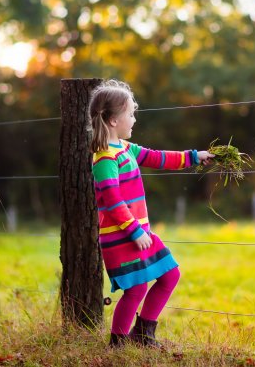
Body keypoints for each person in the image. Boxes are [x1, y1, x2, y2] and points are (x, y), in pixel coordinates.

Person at [88, 79, 214, 348]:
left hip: (139, 233)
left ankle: (143, 335)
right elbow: (112, 199)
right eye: (130, 114)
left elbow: (158, 157)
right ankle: (119, 344)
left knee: (170, 275)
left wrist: (194, 156)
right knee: (136, 289)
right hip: (123, 236)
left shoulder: (125, 149)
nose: (134, 119)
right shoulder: (104, 158)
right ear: (112, 121)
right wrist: (134, 231)